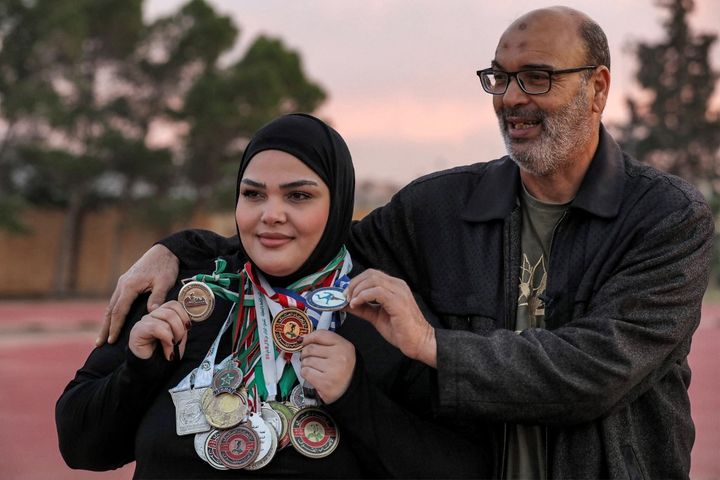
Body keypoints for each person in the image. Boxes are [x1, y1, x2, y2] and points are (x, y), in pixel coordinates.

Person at [97, 7, 714, 479]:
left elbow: (594, 370)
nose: (512, 98)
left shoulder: (666, 217)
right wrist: (182, 249)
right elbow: (311, 251)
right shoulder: (439, 207)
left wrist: (430, 345)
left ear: (599, 88)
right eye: (499, 78)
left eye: (537, 78)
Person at [56, 114, 487, 478]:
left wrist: (356, 397)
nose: (271, 214)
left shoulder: (384, 317)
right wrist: (137, 372)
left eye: (298, 196)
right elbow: (80, 447)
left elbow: (464, 467)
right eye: (253, 194)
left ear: (337, 204)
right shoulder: (182, 293)